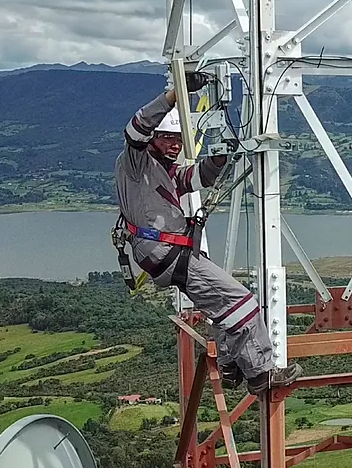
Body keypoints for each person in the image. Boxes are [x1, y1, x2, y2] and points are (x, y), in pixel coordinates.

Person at [115, 81, 302, 395]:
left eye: (178, 140)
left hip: (166, 253)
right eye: (168, 139)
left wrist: (219, 157)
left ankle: (230, 366)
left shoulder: (165, 170)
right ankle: (261, 374)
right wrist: (175, 96)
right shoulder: (136, 165)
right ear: (154, 140)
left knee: (221, 308)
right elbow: (136, 128)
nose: (175, 146)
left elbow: (196, 178)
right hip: (168, 252)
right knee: (241, 302)